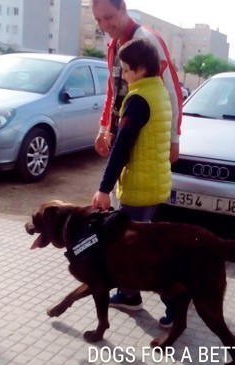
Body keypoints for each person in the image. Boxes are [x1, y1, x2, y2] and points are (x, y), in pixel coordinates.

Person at [90, 38, 174, 328]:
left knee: (141, 253)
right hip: (155, 185)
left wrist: (103, 188)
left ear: (140, 69)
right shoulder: (159, 92)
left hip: (138, 189)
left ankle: (174, 303)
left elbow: (121, 150)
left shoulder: (137, 100)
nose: (123, 76)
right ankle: (128, 293)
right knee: (137, 245)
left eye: (126, 70)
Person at [91, 0, 182, 164]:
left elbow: (171, 90)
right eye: (98, 19)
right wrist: (104, 128)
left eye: (108, 17)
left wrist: (174, 137)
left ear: (123, 8)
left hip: (146, 139)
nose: (104, 25)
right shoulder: (113, 45)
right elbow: (113, 91)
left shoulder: (146, 41)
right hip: (120, 137)